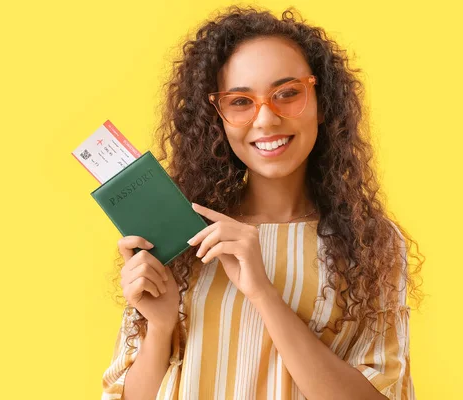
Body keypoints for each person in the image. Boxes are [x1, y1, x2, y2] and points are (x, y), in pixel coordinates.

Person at [101, 6, 423, 400]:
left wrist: (263, 293)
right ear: (215, 116)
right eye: (240, 101)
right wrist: (161, 326)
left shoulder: (369, 241)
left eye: (287, 94)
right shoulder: (182, 235)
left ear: (322, 102)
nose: (266, 119)